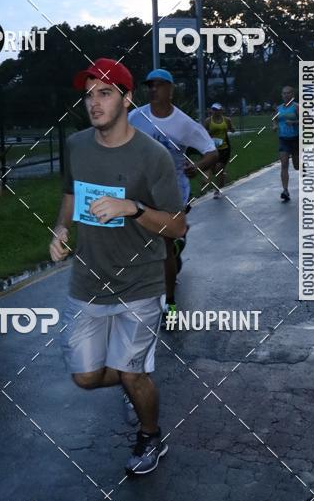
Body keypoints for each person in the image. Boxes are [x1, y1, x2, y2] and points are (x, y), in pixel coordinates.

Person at [50, 58, 186, 476]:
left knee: (132, 374)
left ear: (127, 99)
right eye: (89, 94)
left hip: (140, 283)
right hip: (88, 280)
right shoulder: (76, 145)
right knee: (86, 378)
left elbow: (178, 225)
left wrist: (133, 207)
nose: (94, 102)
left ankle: (150, 436)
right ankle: (134, 378)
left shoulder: (153, 156)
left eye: (104, 92)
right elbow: (72, 194)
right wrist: (59, 228)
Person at [127, 68, 218, 325]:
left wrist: (197, 167)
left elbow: (211, 151)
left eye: (158, 85)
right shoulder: (136, 117)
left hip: (173, 190)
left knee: (164, 246)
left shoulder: (185, 123)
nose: (153, 89)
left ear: (170, 89)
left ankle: (170, 304)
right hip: (142, 189)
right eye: (149, 85)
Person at [273, 85, 299, 201]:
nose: (285, 95)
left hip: (296, 139)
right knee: (284, 165)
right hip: (283, 139)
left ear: (292, 95)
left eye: (288, 93)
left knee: (297, 166)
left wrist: (294, 122)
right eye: (284, 93)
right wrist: (274, 125)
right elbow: (274, 119)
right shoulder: (279, 108)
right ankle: (285, 190)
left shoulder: (297, 107)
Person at [204, 102, 236, 198]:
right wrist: (209, 133)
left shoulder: (226, 120)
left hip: (224, 148)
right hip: (213, 149)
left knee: (218, 168)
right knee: (214, 170)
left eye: (217, 110)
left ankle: (216, 190)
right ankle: (222, 176)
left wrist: (231, 129)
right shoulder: (208, 121)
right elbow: (203, 133)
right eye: (213, 109)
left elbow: (232, 129)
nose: (215, 111)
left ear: (221, 110)